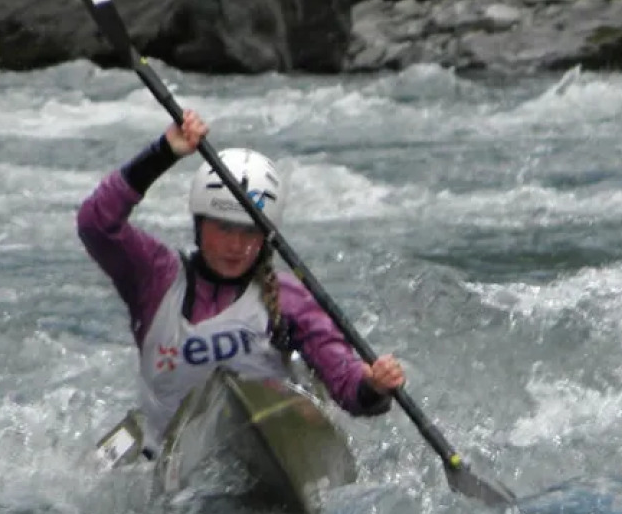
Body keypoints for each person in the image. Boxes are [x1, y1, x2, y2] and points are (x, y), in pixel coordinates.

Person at [78, 108, 406, 452]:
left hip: (267, 445)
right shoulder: (155, 278)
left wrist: (373, 385)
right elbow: (95, 224)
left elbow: (346, 384)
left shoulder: (289, 298)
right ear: (199, 224)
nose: (237, 245)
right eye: (224, 228)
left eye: (250, 231)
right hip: (167, 453)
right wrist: (162, 152)